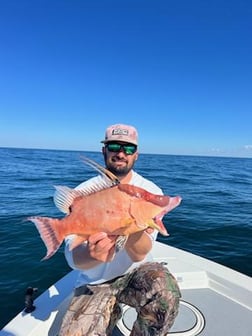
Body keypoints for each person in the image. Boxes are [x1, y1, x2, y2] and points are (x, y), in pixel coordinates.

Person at [59, 124, 181, 336]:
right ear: (104, 150)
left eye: (129, 148)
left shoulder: (149, 191)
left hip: (135, 274)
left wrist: (130, 222)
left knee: (166, 292)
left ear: (136, 155)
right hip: (94, 282)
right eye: (114, 145)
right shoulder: (83, 194)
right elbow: (74, 260)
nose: (121, 153)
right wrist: (90, 254)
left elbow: (140, 253)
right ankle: (108, 310)